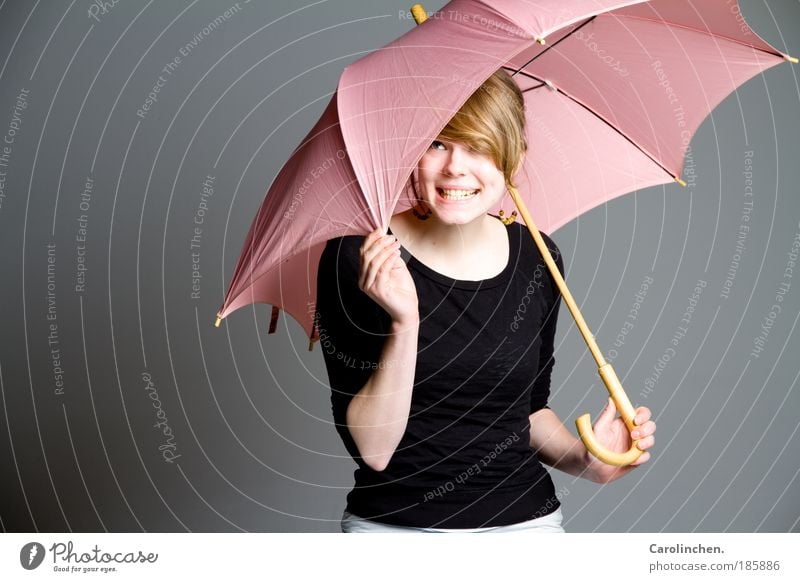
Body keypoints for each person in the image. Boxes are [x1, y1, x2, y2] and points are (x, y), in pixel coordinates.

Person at [315, 69, 656, 533]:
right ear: (413, 153)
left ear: (511, 160)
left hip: (526, 528)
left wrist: (588, 460)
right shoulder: (361, 255)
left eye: (478, 145)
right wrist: (405, 323)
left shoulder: (539, 258)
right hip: (394, 533)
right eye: (438, 143)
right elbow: (374, 452)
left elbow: (528, 411)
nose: (455, 167)